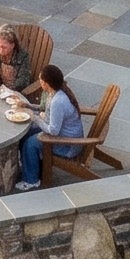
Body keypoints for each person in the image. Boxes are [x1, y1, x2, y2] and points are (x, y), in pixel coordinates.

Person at [17, 63, 85, 191]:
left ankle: (31, 180)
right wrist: (29, 106)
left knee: (30, 144)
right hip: (60, 134)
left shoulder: (58, 101)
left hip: (67, 145)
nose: (39, 82)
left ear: (46, 83)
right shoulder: (55, 92)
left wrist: (34, 117)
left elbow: (53, 131)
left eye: (40, 80)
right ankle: (32, 166)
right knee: (25, 133)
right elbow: (46, 110)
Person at [0, 24, 36, 94]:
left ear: (12, 45)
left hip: (15, 92)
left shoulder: (22, 56)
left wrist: (8, 91)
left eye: (4, 47)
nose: (1, 50)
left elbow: (23, 81)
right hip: (0, 86)